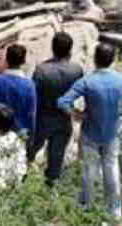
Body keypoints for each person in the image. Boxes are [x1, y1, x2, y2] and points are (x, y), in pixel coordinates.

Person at [58, 43, 122, 221]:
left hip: (89, 134)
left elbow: (63, 102)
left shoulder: (86, 81)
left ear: (95, 59)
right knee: (112, 171)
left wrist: (77, 114)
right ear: (113, 60)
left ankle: (87, 210)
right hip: (112, 134)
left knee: (89, 173)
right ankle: (115, 214)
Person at [27, 32, 83, 187]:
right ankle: (50, 196)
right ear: (70, 50)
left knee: (28, 155)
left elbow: (33, 98)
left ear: (52, 48)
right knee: (55, 162)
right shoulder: (77, 70)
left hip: (42, 119)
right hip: (64, 120)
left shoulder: (41, 70)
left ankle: (19, 186)